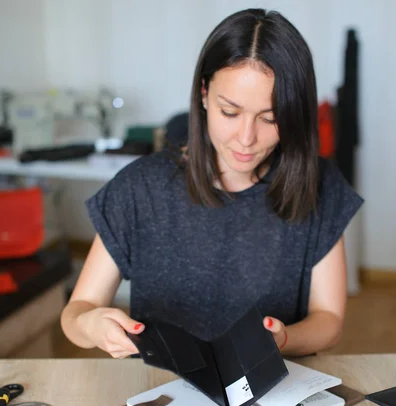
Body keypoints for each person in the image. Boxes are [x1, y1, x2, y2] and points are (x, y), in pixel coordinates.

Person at [61, 8, 363, 359]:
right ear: (204, 94)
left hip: (272, 394)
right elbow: (77, 311)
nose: (246, 138)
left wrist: (282, 340)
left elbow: (329, 320)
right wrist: (91, 325)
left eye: (270, 118)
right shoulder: (140, 188)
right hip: (159, 394)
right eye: (230, 113)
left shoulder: (318, 185)